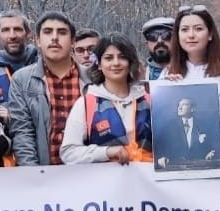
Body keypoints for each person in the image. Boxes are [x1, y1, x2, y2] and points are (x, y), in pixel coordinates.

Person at [163, 4, 220, 176]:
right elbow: (163, 124)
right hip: (178, 165)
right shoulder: (167, 74)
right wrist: (166, 91)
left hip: (218, 163)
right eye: (184, 30)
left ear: (210, 34)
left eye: (198, 29)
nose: (191, 35)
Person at [61, 34, 153, 164]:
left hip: (146, 181)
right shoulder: (86, 104)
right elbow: (68, 153)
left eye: (122, 57)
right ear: (99, 64)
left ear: (130, 62)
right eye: (108, 58)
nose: (115, 63)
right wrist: (107, 152)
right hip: (104, 182)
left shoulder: (149, 101)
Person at [8, 12, 80, 166]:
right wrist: (33, 175)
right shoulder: (22, 80)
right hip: (43, 174)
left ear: (73, 41)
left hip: (89, 173)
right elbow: (22, 132)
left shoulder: (91, 78)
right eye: (47, 32)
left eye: (62, 32)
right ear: (38, 40)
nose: (54, 37)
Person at [0, 9, 37, 103]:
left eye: (17, 29)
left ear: (28, 33)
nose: (12, 36)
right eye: (6, 30)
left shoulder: (42, 66)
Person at [142, 16, 173, 81]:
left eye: (166, 35)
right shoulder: (139, 75)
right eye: (153, 36)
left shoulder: (191, 71)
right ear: (146, 44)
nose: (159, 40)